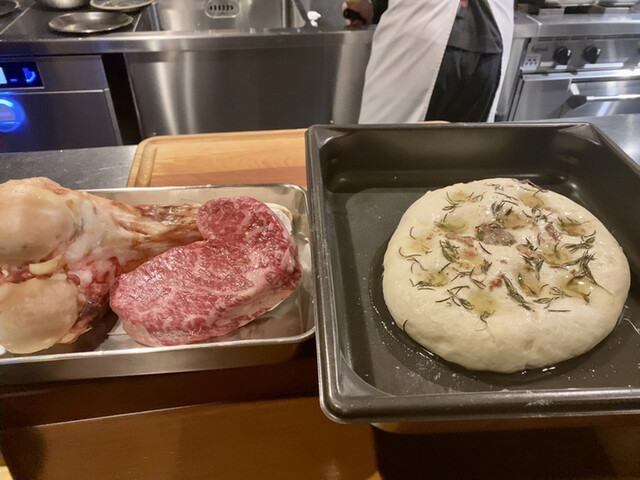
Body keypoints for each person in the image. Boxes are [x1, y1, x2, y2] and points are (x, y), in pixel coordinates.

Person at [343, 0, 514, 123]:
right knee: (464, 152)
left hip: (422, 30)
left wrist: (360, 5)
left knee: (385, 148)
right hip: (491, 42)